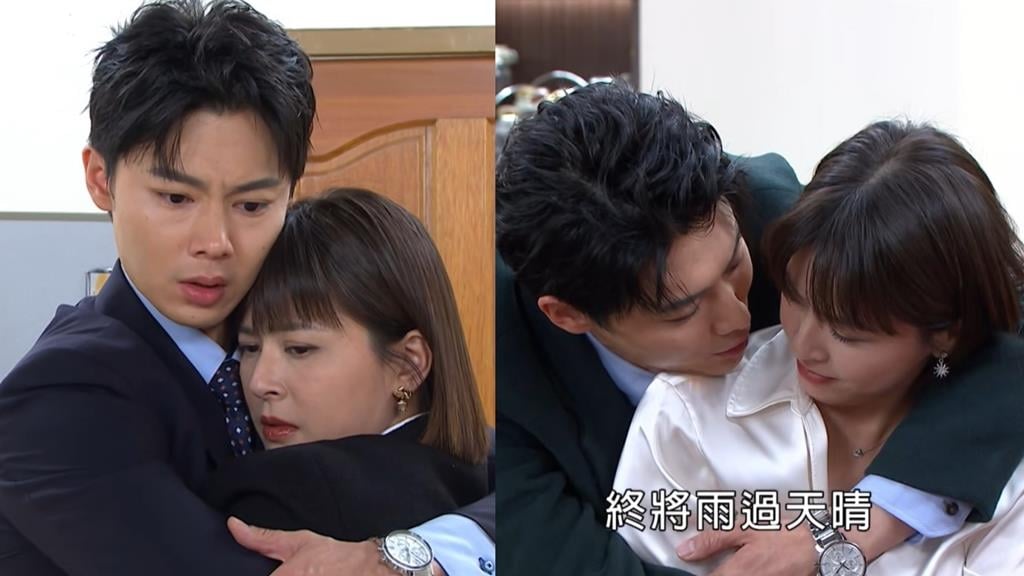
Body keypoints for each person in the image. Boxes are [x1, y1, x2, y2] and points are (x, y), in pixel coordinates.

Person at [0, 2, 494, 575]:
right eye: (176, 198)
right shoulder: (58, 398)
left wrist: (422, 556)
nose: (215, 242)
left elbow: (492, 463)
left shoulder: (288, 318)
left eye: (252, 205)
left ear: (291, 191)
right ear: (100, 179)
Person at [495, 82, 1024, 575]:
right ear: (567, 315)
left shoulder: (780, 217)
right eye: (681, 311)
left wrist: (856, 525)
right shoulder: (501, 362)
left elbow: (993, 320)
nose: (738, 318)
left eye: (734, 265)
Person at [202, 188, 491, 543]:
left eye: (299, 349)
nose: (260, 382)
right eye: (249, 348)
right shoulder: (497, 464)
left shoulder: (284, 494)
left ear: (408, 364)